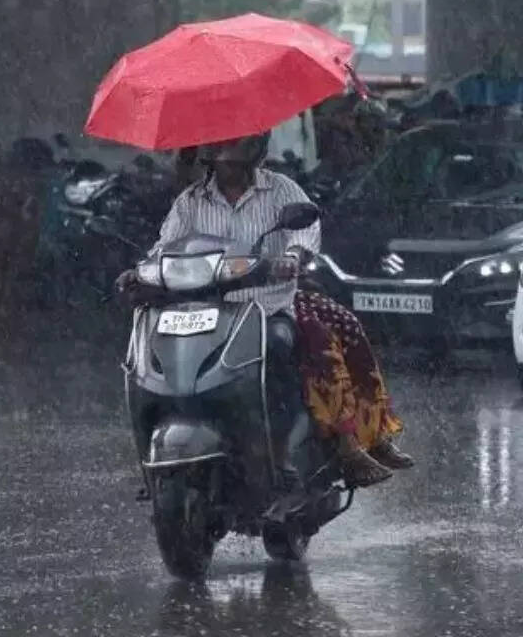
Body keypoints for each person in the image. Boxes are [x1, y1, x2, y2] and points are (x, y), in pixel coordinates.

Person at [141, 132, 411, 488]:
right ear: (209, 156)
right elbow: (164, 250)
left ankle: (315, 444)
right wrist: (141, 273)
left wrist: (292, 257)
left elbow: (307, 229)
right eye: (225, 152)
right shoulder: (189, 203)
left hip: (267, 308)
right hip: (204, 313)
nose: (232, 161)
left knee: (306, 343)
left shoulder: (282, 190)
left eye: (241, 150)